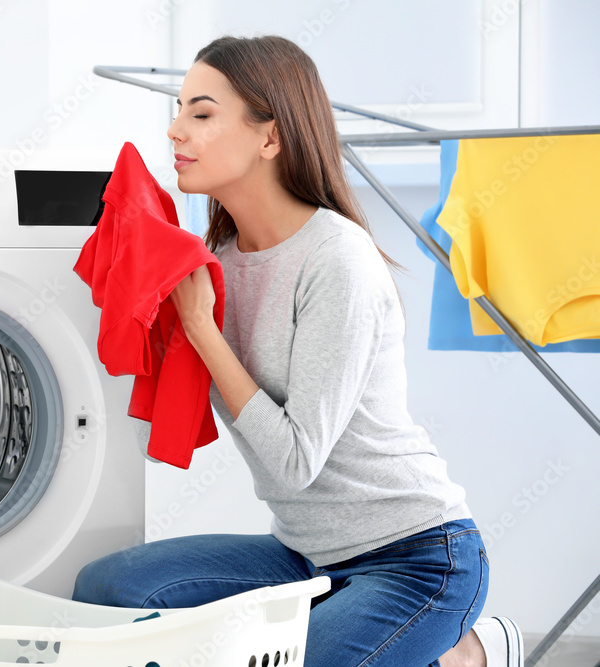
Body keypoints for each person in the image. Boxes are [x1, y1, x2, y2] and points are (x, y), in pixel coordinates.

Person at [72, 35, 523, 667]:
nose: (175, 130)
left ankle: (468, 652)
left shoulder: (337, 260)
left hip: (418, 559)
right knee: (109, 589)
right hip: (306, 554)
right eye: (178, 111)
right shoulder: (213, 266)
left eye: (200, 113)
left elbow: (293, 463)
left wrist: (201, 328)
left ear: (270, 137)